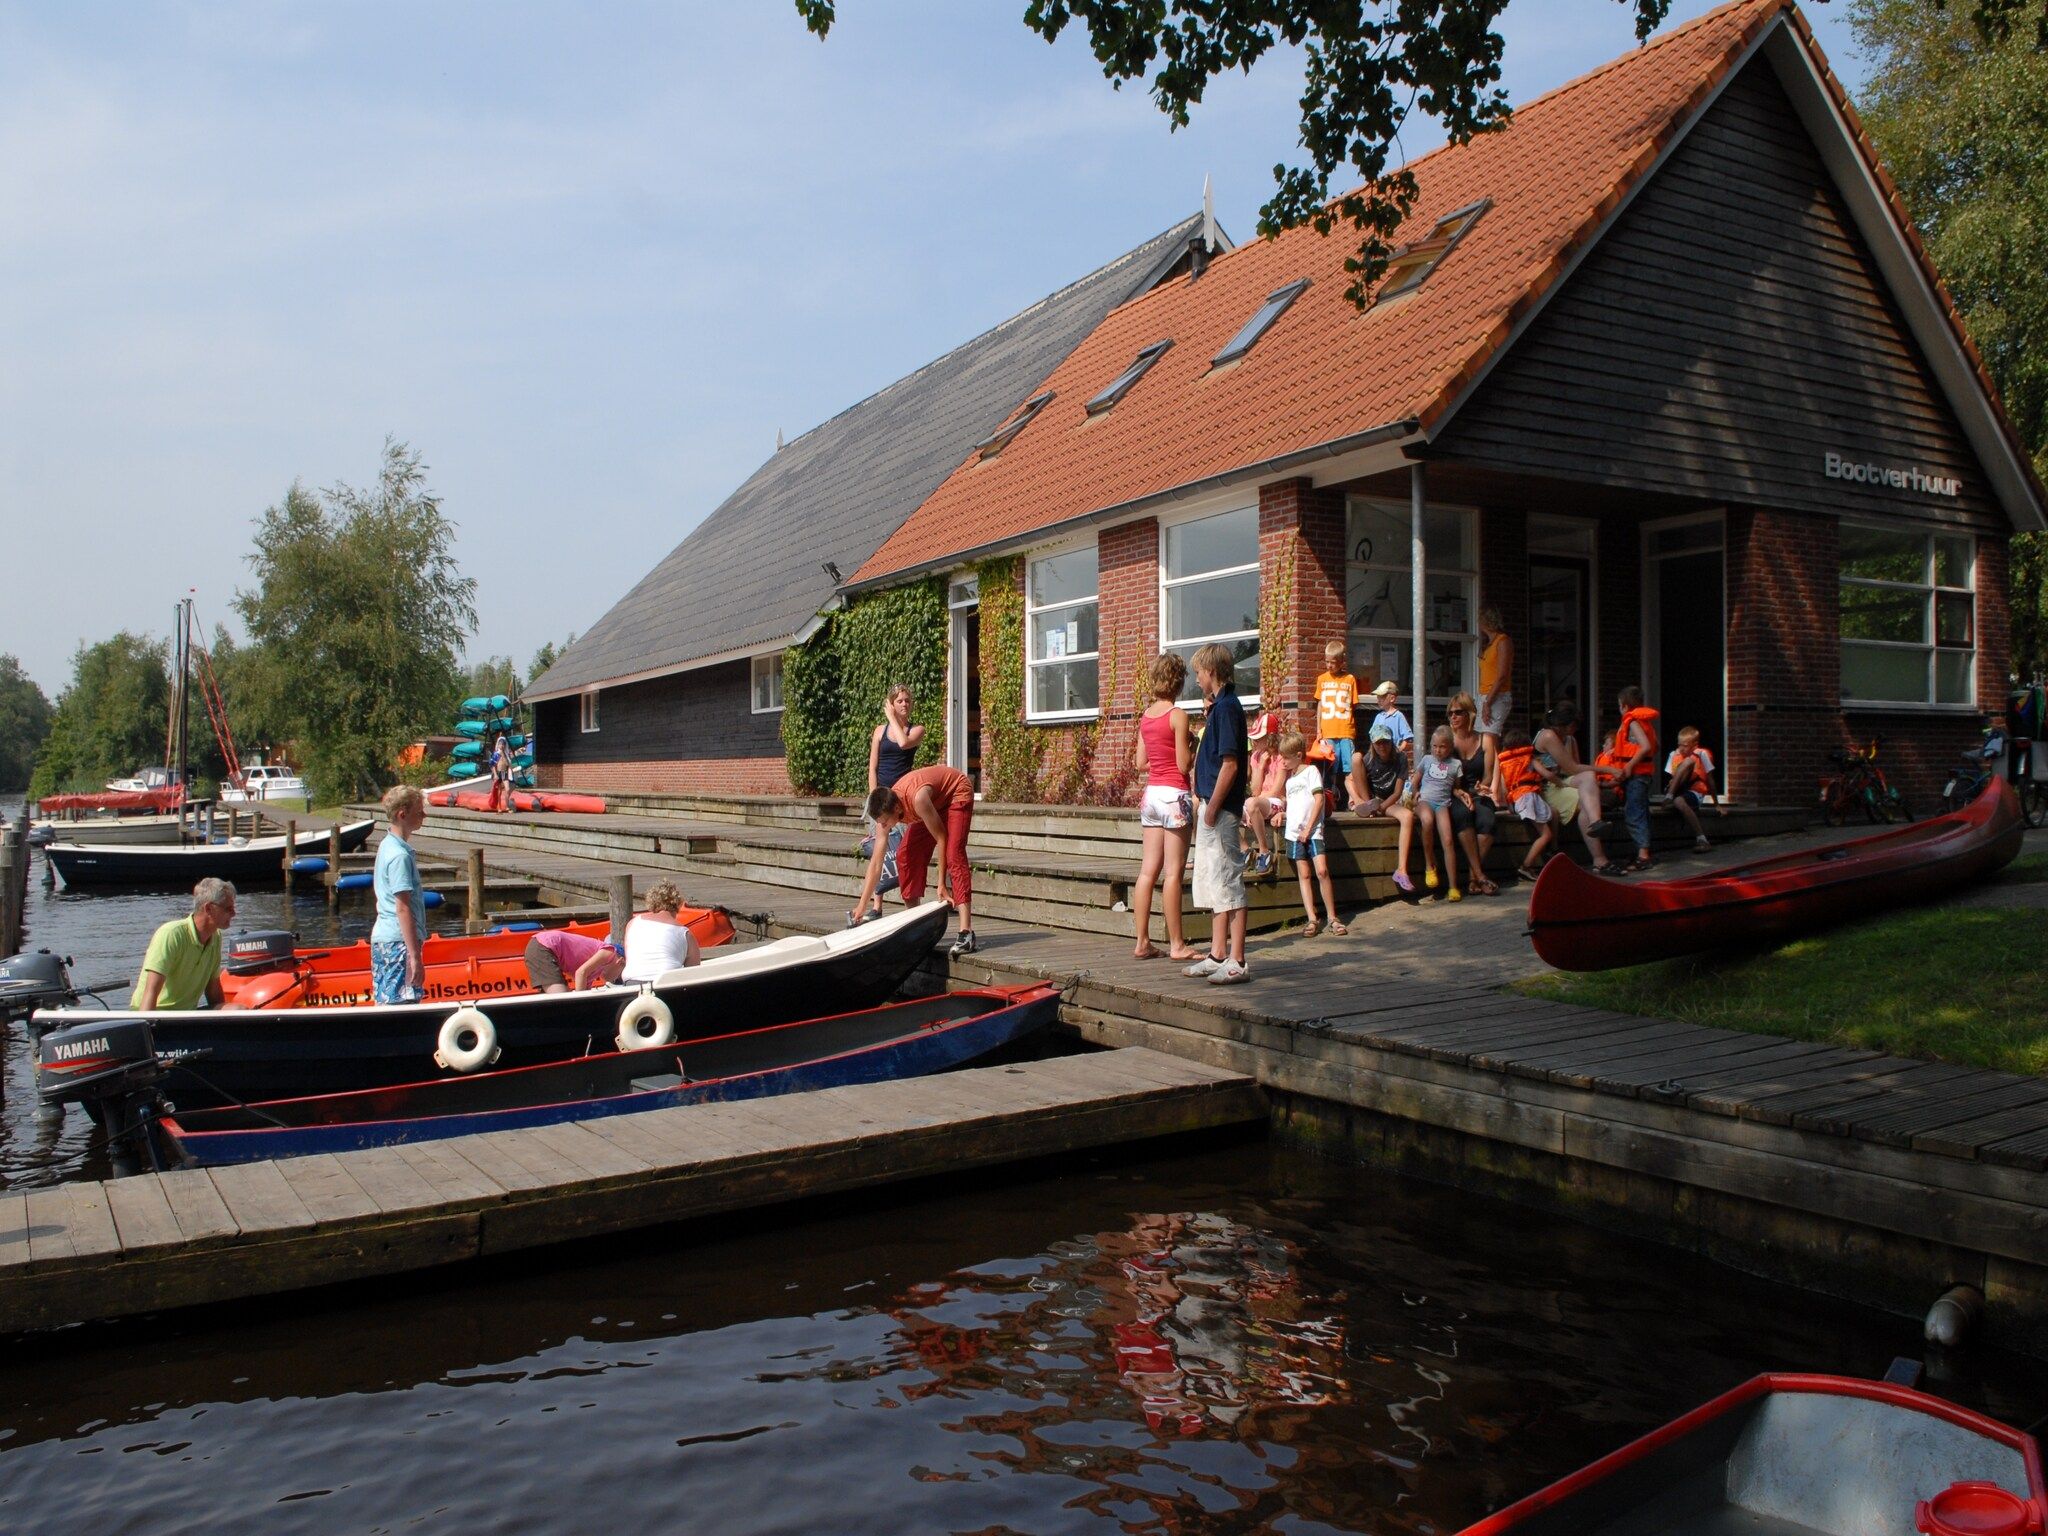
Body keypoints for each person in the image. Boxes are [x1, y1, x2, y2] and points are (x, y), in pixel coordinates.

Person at [859, 762, 977, 957]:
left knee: (954, 854)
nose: (884, 826)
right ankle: (916, 925)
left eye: (885, 822)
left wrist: (941, 884)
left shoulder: (917, 799)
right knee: (905, 854)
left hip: (956, 792)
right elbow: (877, 863)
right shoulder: (887, 810)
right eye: (881, 823)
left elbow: (941, 837)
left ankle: (966, 933)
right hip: (934, 803)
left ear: (896, 808)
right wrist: (862, 905)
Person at [1185, 643, 1250, 985]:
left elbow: (1230, 763)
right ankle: (1217, 952)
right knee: (1214, 881)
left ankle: (1237, 959)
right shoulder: (1219, 708)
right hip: (1212, 806)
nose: (1196, 679)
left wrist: (1210, 810)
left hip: (1220, 809)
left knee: (1229, 879)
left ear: (1211, 672)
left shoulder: (1227, 709)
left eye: (1198, 672)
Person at [1131, 653, 1198, 961]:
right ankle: (1177, 945)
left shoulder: (1146, 716)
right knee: (1173, 874)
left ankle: (1142, 941)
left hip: (1152, 795)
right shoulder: (1178, 715)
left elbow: (1140, 763)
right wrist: (1194, 744)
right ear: (1178, 682)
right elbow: (1184, 764)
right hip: (1174, 794)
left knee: (1148, 872)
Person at [858, 684, 926, 919]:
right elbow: (873, 766)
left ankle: (912, 902)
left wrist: (891, 716)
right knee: (880, 848)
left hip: (902, 800)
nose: (905, 704)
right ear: (892, 703)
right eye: (899, 701)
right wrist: (873, 798)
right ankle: (876, 905)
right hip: (881, 798)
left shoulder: (916, 730)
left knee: (904, 850)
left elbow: (903, 743)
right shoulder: (879, 731)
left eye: (907, 700)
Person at [1533, 702, 1619, 875]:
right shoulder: (1548, 736)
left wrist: (1600, 779)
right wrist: (1608, 769)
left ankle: (1596, 824)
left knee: (1588, 779)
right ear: (1569, 724)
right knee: (1586, 801)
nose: (1576, 730)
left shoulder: (1569, 739)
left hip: (1562, 782)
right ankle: (1600, 858)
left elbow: (1576, 769)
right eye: (1574, 726)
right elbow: (1572, 768)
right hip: (1546, 787)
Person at [1277, 732, 1345, 936]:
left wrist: (1308, 828)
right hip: (1294, 833)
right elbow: (1294, 805)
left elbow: (1318, 800)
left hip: (1312, 831)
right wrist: (1282, 813)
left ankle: (1333, 916)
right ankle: (1312, 918)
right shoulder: (1289, 781)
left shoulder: (1311, 772)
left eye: (1286, 757)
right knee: (1304, 874)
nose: (1283, 761)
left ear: (1298, 755)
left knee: (1322, 871)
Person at [133, 877, 236, 1010]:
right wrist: (147, 1027)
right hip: (157, 1016)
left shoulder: (215, 937)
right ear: (209, 908)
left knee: (237, 1010)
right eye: (228, 908)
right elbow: (150, 992)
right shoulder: (171, 934)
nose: (234, 913)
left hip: (187, 1016)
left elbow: (214, 993)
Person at [1595, 685, 1660, 874]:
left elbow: (1646, 746)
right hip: (1643, 773)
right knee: (1642, 810)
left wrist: (1629, 765)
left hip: (1637, 774)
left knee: (1634, 812)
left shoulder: (1632, 722)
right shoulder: (1644, 721)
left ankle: (1643, 855)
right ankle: (1644, 850)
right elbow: (1655, 744)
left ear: (1624, 706)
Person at [372, 785, 428, 1004]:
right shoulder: (399, 856)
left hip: (385, 938)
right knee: (403, 1003)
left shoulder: (387, 845)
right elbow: (402, 907)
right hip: (398, 942)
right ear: (402, 815)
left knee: (387, 1001)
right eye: (419, 811)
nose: (424, 815)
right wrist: (414, 956)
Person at [1355, 725, 1422, 893]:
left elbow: (1398, 792)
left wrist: (1382, 807)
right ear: (1373, 743)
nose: (1382, 746)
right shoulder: (1368, 759)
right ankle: (1366, 805)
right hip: (1372, 798)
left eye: (1385, 742)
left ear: (1391, 742)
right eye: (1378, 743)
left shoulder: (1400, 758)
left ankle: (1402, 870)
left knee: (1407, 816)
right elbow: (1350, 780)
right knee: (1355, 758)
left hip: (1390, 801)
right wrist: (1366, 802)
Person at [1446, 692, 1499, 895]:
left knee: (1488, 820)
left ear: (1470, 714)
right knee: (1464, 815)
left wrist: (1482, 787)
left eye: (1458, 712)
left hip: (1476, 792)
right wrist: (1458, 791)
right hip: (1454, 791)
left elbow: (1487, 775)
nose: (1453, 717)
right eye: (1450, 713)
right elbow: (1441, 774)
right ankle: (1481, 876)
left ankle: (1472, 877)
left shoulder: (1484, 740)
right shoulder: (1447, 739)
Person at [1409, 725, 1467, 900]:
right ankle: (1429, 866)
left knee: (1448, 840)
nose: (1438, 750)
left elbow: (1455, 787)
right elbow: (1415, 781)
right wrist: (1414, 792)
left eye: (1442, 746)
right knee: (1427, 820)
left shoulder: (1455, 764)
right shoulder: (1427, 760)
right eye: (1434, 746)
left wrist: (1460, 793)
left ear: (1450, 747)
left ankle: (1453, 886)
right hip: (1425, 800)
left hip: (1442, 803)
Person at [1495, 727, 1557, 881]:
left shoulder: (1504, 763)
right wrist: (1560, 781)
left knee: (1553, 813)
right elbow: (1547, 774)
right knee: (1546, 834)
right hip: (1528, 797)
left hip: (1516, 800)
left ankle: (1553, 852)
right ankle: (1526, 866)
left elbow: (1503, 789)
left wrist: (1510, 805)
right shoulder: (1530, 759)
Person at [1315, 641, 1365, 808]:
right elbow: (1320, 705)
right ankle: (1331, 800)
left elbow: (1352, 705)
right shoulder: (1321, 679)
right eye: (1327, 661)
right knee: (1330, 769)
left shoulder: (1349, 679)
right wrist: (1318, 730)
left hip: (1345, 731)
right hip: (1328, 732)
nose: (1329, 665)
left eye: (1333, 662)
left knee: (1349, 768)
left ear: (1342, 661)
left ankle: (1353, 800)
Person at [621, 879, 702, 982]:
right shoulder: (685, 934)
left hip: (633, 981)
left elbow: (630, 957)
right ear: (677, 905)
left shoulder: (632, 923)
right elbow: (693, 974)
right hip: (666, 984)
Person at [1241, 710, 1288, 877]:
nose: (1254, 741)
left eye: (1259, 738)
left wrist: (1251, 804)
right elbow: (1255, 789)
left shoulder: (1282, 756)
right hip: (1260, 801)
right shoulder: (1256, 756)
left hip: (1277, 802)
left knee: (1251, 803)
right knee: (1226, 808)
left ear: (1270, 737)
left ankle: (1264, 850)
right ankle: (1245, 849)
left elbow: (1276, 789)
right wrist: (1260, 767)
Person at [1664, 725, 1722, 851]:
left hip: (1694, 791)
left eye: (1685, 746)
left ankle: (1702, 839)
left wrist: (1716, 804)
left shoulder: (1701, 754)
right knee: (1677, 796)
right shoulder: (1673, 754)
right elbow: (1670, 777)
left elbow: (1710, 780)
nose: (1681, 748)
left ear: (1694, 745)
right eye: (1679, 745)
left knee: (1688, 763)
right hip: (1676, 787)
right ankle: (1669, 796)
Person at [1475, 608, 1514, 785]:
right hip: (1484, 695)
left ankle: (1489, 778)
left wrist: (1488, 702)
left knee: (1490, 737)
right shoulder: (1488, 644)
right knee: (1486, 739)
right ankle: (1498, 779)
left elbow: (1502, 675)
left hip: (1497, 695)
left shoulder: (1503, 641)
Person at [523, 928, 625, 993]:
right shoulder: (609, 952)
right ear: (620, 962)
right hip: (543, 946)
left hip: (544, 948)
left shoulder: (595, 971)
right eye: (619, 977)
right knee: (562, 1000)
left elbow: (584, 991)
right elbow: (580, 972)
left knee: (566, 996)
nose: (615, 980)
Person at [1367, 680, 1415, 773]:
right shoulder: (1379, 716)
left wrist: (1399, 751)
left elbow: (1407, 737)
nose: (1378, 700)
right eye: (1378, 697)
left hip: (1392, 755)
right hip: (1379, 755)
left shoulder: (1398, 716)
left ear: (1392, 698)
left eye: (1382, 697)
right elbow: (1372, 737)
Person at [490, 732, 515, 814]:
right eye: (501, 744)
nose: (502, 746)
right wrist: (495, 775)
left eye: (503, 744)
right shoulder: (496, 754)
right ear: (498, 745)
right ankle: (499, 807)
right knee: (499, 791)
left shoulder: (506, 754)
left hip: (505, 773)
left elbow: (508, 764)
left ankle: (507, 806)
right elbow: (492, 765)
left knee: (507, 789)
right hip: (498, 773)